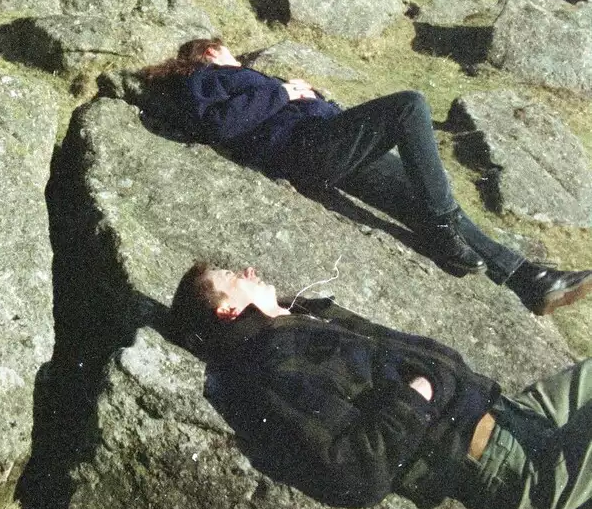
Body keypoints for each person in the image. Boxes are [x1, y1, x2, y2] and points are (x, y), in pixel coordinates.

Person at [141, 39, 592, 316]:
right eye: (227, 50)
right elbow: (221, 126)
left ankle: (529, 279)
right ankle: (446, 230)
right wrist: (283, 90)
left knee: (426, 196)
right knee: (409, 105)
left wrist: (305, 96)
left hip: (322, 145)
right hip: (305, 150)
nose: (236, 56)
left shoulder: (232, 79)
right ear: (209, 52)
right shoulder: (203, 78)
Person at [169, 261, 592, 509]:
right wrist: (417, 397)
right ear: (227, 311)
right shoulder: (273, 363)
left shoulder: (298, 324)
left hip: (511, 414)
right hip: (511, 468)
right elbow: (352, 472)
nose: (246, 271)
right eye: (230, 277)